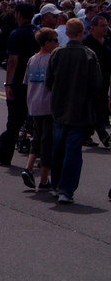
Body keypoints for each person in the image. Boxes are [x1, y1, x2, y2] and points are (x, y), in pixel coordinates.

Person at [45, 18, 102, 204]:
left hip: (59, 107)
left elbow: (49, 81)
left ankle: (56, 184)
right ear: (82, 32)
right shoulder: (89, 55)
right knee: (73, 151)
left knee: (58, 148)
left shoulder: (57, 53)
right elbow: (96, 84)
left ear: (67, 33)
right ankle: (66, 190)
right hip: (80, 109)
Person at [0, 2, 39, 166]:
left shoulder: (17, 34)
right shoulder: (39, 32)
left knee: (14, 121)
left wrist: (8, 84)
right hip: (37, 81)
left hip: (19, 81)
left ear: (18, 14)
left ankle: (4, 154)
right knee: (39, 121)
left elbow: (13, 60)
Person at [20, 28, 59, 190]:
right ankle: (44, 179)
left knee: (37, 137)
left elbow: (27, 81)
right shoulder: (53, 59)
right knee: (47, 141)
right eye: (55, 40)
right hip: (48, 105)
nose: (57, 43)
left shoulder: (33, 59)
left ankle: (29, 168)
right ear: (47, 42)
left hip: (34, 104)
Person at [82, 15, 111, 147]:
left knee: (99, 108)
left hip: (105, 80)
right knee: (93, 108)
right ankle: (102, 135)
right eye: (102, 26)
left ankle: (87, 135)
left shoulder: (108, 42)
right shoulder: (86, 43)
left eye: (106, 25)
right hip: (89, 81)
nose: (105, 28)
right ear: (92, 28)